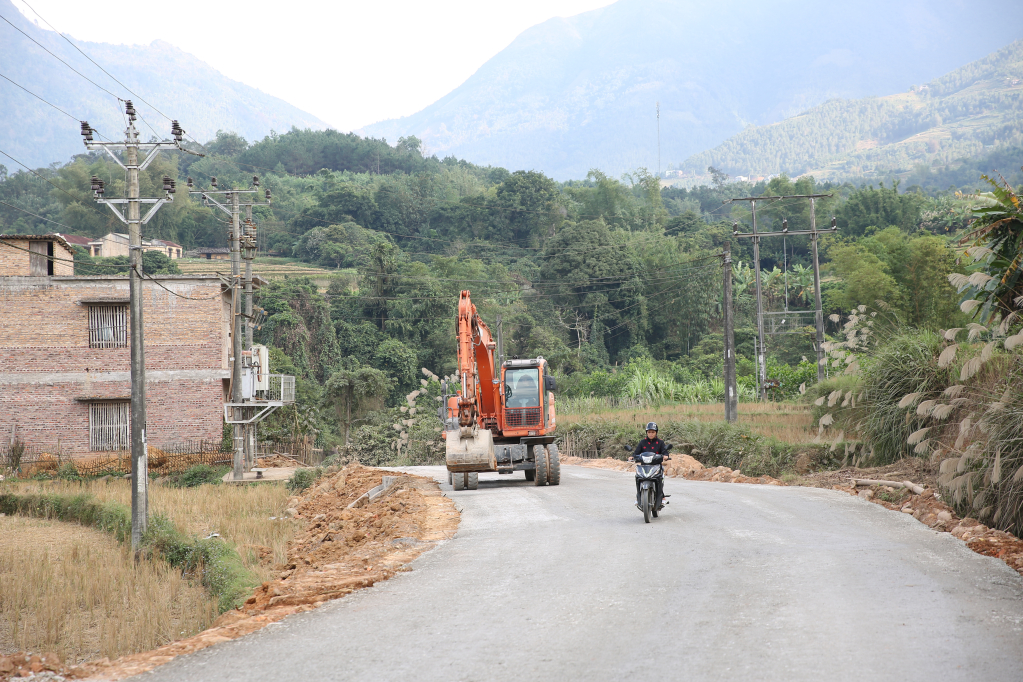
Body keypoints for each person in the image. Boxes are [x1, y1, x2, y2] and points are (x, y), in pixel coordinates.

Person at [630, 422, 670, 508]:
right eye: (649, 432)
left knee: (660, 479)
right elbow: (636, 452)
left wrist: (666, 456)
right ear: (646, 433)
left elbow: (665, 452)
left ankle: (661, 496)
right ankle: (638, 497)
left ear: (656, 432)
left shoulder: (660, 442)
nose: (651, 434)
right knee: (638, 478)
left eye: (653, 432)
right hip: (644, 466)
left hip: (656, 466)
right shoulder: (642, 442)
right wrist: (631, 457)